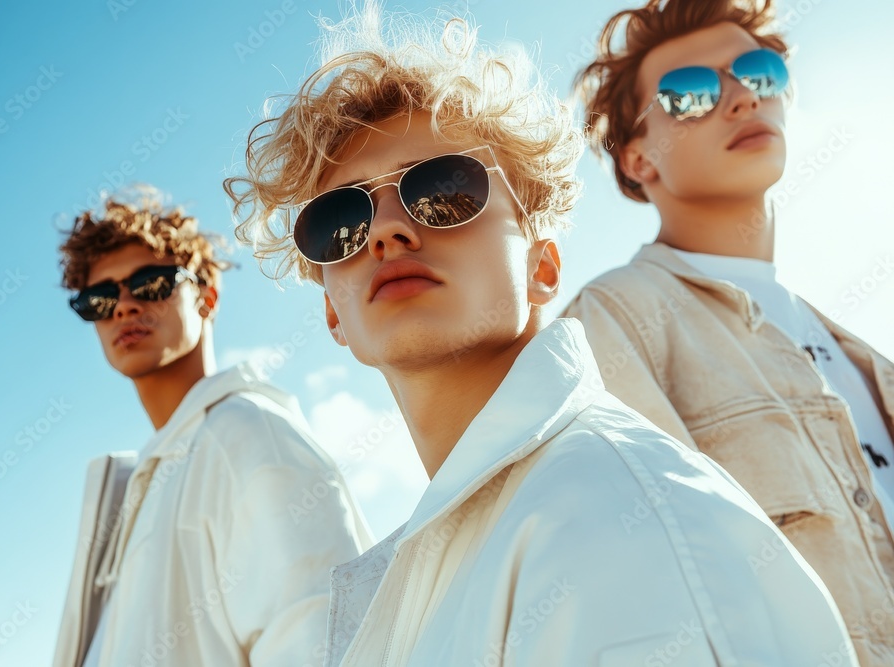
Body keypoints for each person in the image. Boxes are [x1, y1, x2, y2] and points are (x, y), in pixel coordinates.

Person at [225, 6, 857, 665]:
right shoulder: (439, 566)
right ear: (333, 316)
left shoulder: (611, 508)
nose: (387, 230)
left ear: (542, 267)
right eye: (340, 222)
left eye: (443, 189)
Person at [562, 1, 894, 664]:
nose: (740, 98)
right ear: (637, 159)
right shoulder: (612, 323)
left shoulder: (868, 359)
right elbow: (651, 595)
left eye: (758, 73)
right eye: (689, 94)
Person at [53, 188, 372, 667]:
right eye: (99, 298)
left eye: (150, 283)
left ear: (207, 297)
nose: (122, 306)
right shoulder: (140, 488)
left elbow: (326, 644)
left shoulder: (249, 435)